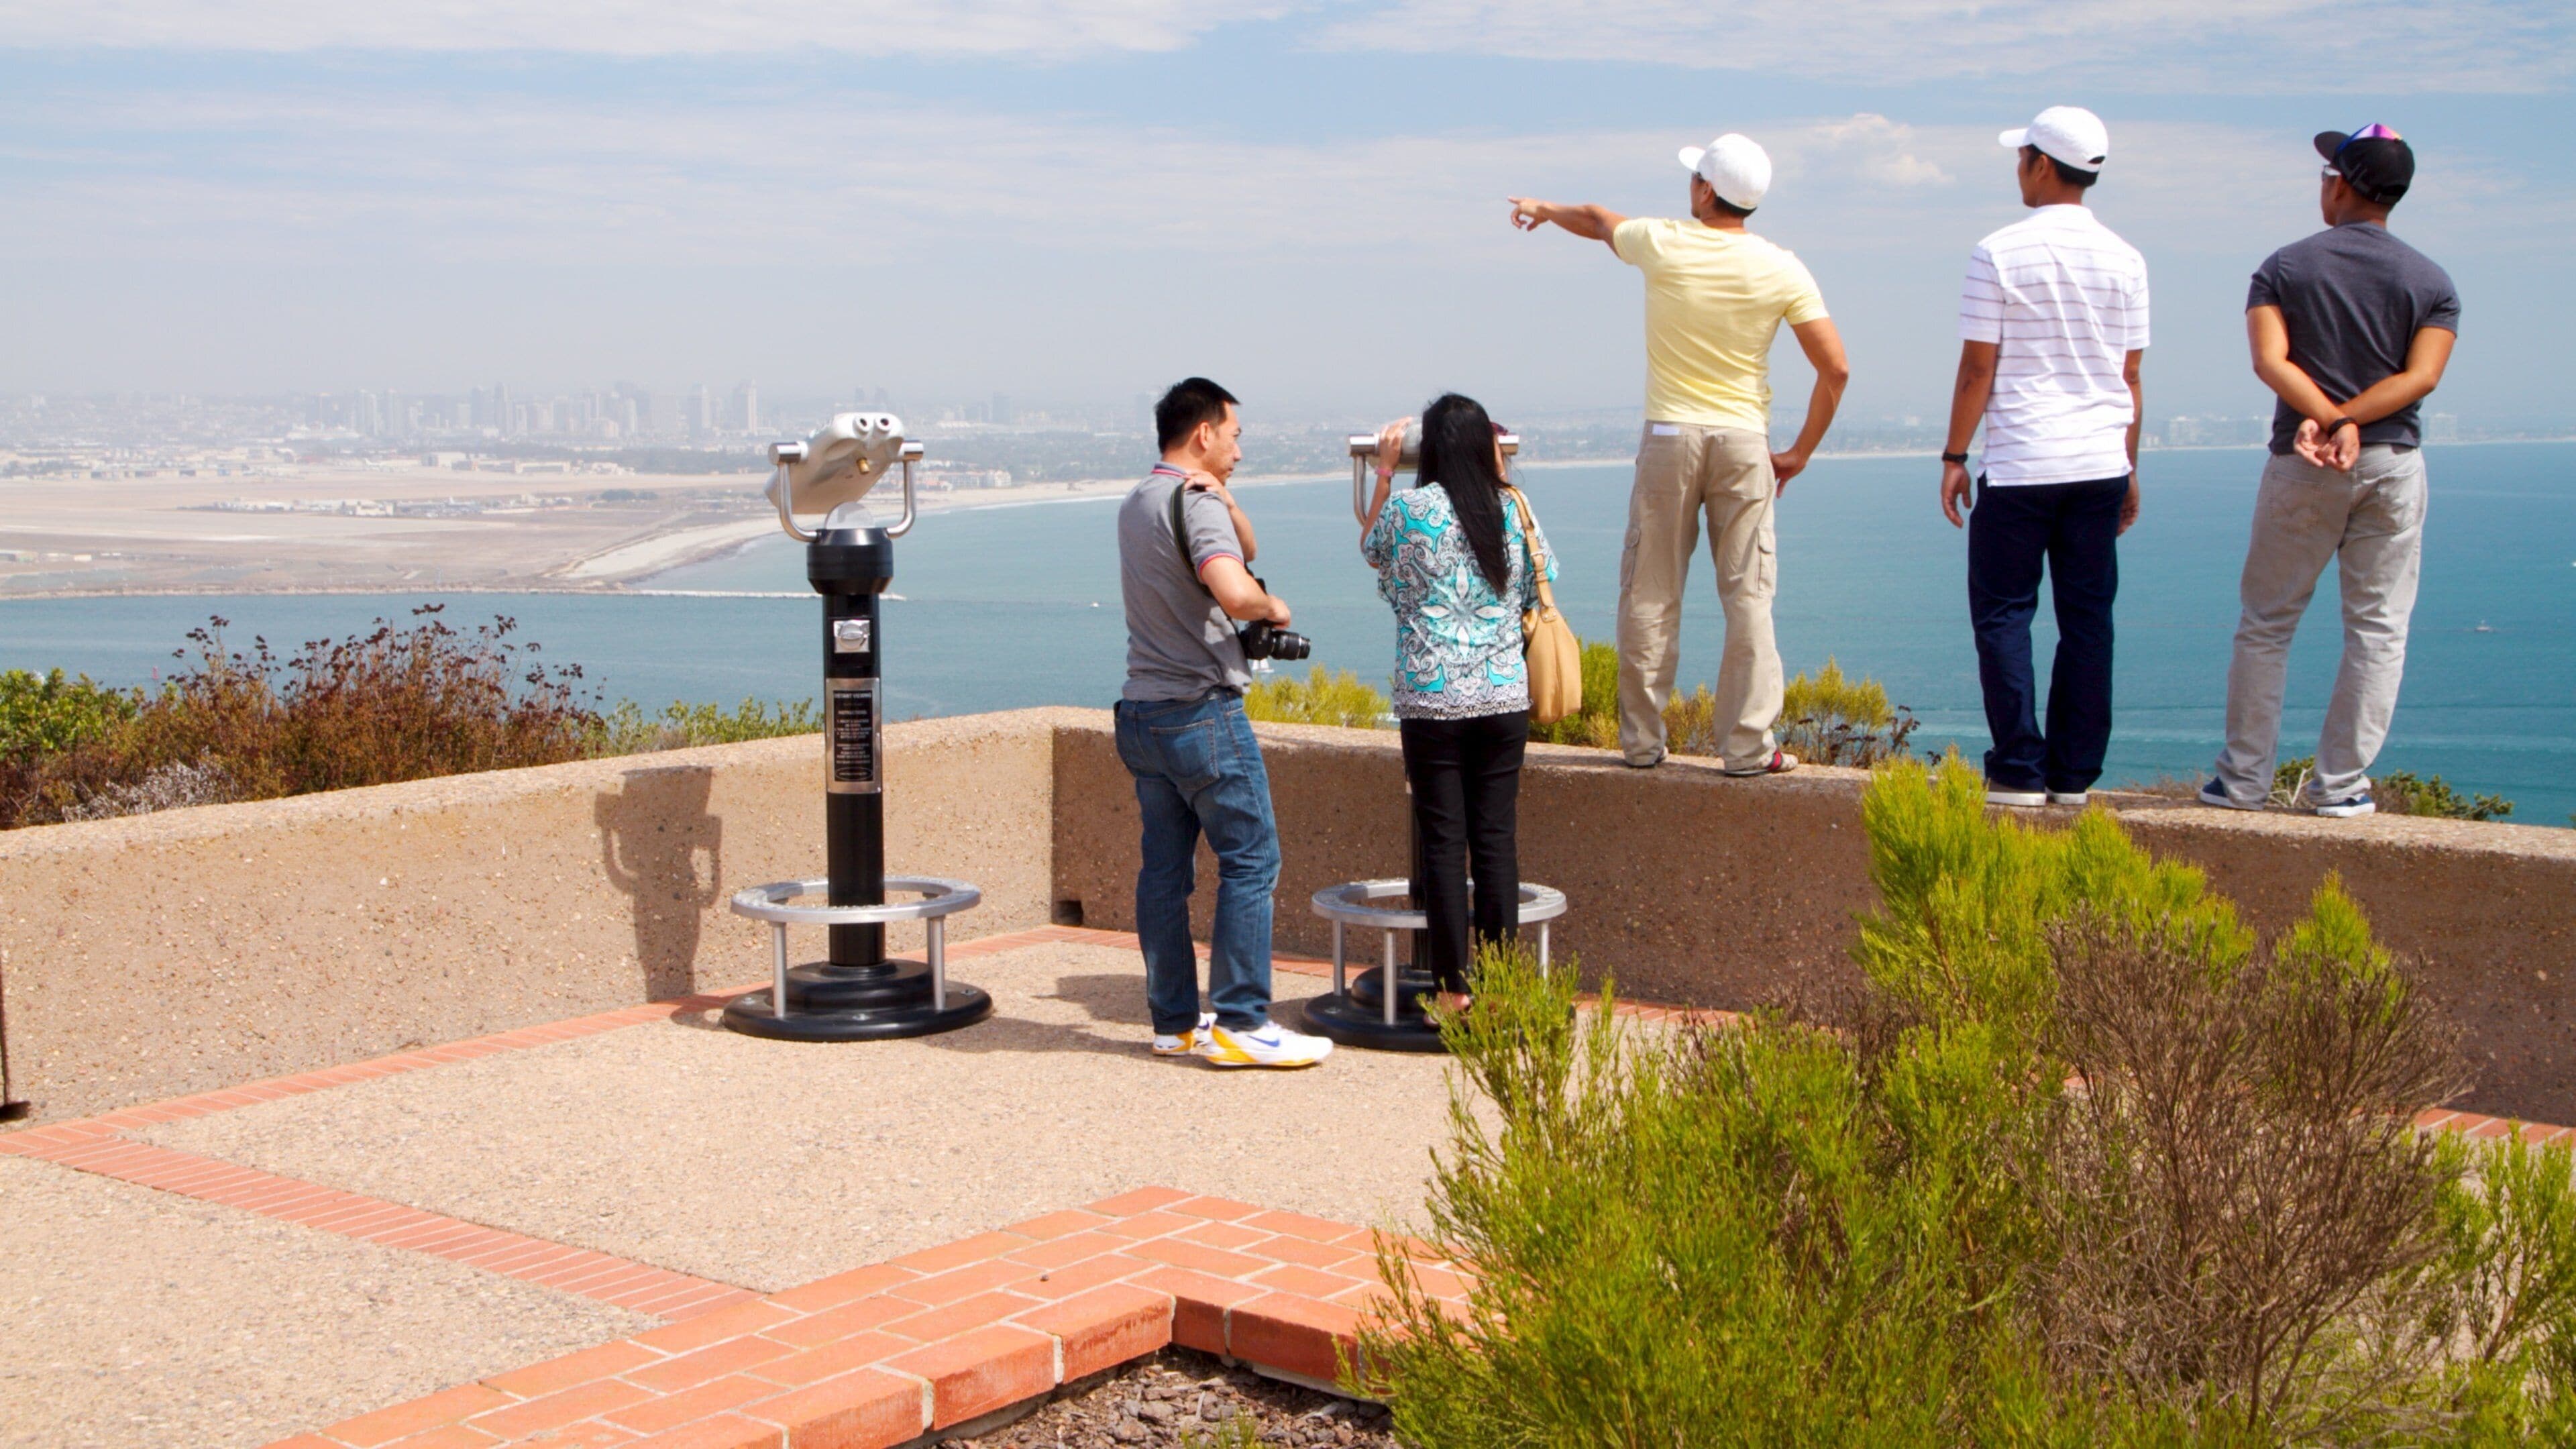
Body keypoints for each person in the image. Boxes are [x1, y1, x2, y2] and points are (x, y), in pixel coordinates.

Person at [1509, 132, 1849, 775]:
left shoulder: (1665, 241)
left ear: (1705, 190)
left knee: (1650, 592)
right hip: (1745, 442)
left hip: (1669, 439)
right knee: (1749, 595)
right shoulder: (1783, 267)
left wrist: (1542, 207)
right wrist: (1799, 451)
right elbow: (1835, 369)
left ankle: (1641, 742)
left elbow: (1598, 220)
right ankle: (1748, 747)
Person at [2199, 126, 2458, 819]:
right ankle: (2340, 787)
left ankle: (2244, 781)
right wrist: (2354, 420)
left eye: (2325, 173)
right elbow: (2423, 375)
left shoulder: (2283, 268)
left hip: (2304, 463)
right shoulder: (2432, 281)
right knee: (2377, 629)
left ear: (2342, 183)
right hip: (2391, 464)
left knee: (2267, 623)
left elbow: (2270, 361)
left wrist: (2324, 416)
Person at [1113, 377, 1334, 1069]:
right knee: (1252, 857)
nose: (1239, 450)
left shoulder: (1139, 500)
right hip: (1201, 712)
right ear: (1204, 433)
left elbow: (1245, 542)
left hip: (1142, 714)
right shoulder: (1194, 504)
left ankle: (1175, 1022)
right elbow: (1236, 586)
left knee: (1164, 873)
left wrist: (1225, 497)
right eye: (1234, 436)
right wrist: (1273, 609)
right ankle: (1241, 1019)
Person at [1937, 106, 2148, 809]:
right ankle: (2073, 775)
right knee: (2088, 621)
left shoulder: (1997, 251)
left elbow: (1977, 368)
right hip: (2098, 464)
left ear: (2043, 165)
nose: (2017, 168)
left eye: (2021, 156)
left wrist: (1955, 453)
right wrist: (2131, 469)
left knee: (2003, 616)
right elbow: (2130, 377)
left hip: (2024, 464)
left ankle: (2018, 770)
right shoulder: (2127, 258)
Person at [1359, 394, 1556, 1012]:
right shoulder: (1512, 508)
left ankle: (1451, 993)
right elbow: (1538, 578)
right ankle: (1499, 991)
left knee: (1444, 842)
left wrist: (1386, 472)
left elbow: (1371, 548)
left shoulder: (1410, 511)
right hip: (1502, 697)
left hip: (1432, 701)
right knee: (1496, 838)